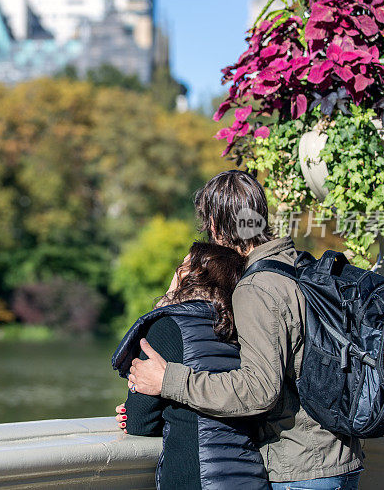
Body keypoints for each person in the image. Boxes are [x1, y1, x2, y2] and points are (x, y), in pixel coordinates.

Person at [118, 170, 363, 490]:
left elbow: (258, 391)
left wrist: (169, 380)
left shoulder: (257, 288)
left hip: (303, 468)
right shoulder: (297, 266)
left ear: (216, 228)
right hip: (336, 458)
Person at [112, 241, 269, 489]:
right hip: (250, 474)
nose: (177, 270)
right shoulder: (242, 329)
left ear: (193, 276)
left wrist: (167, 299)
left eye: (182, 265)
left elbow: (138, 422)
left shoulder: (168, 326)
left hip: (196, 477)